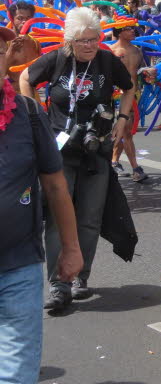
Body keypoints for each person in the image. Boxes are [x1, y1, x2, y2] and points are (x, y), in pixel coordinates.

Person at [20, 7, 135, 310]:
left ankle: (80, 276)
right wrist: (37, 118)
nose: (89, 45)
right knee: (59, 216)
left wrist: (122, 118)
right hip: (59, 151)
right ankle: (59, 283)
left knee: (89, 217)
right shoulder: (58, 59)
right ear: (70, 40)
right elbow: (25, 79)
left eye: (94, 39)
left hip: (95, 148)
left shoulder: (107, 61)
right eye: (83, 40)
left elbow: (128, 87)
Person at [0, 25, 82, 384]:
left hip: (19, 266)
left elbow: (55, 186)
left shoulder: (28, 114)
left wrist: (71, 249)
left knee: (17, 374)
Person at [109, 26, 149, 182]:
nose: (133, 31)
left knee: (126, 130)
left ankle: (113, 161)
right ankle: (136, 168)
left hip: (134, 94)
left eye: (133, 29)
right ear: (119, 32)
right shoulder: (110, 51)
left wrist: (150, 74)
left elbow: (144, 71)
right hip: (116, 94)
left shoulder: (138, 51)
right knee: (126, 130)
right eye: (128, 29)